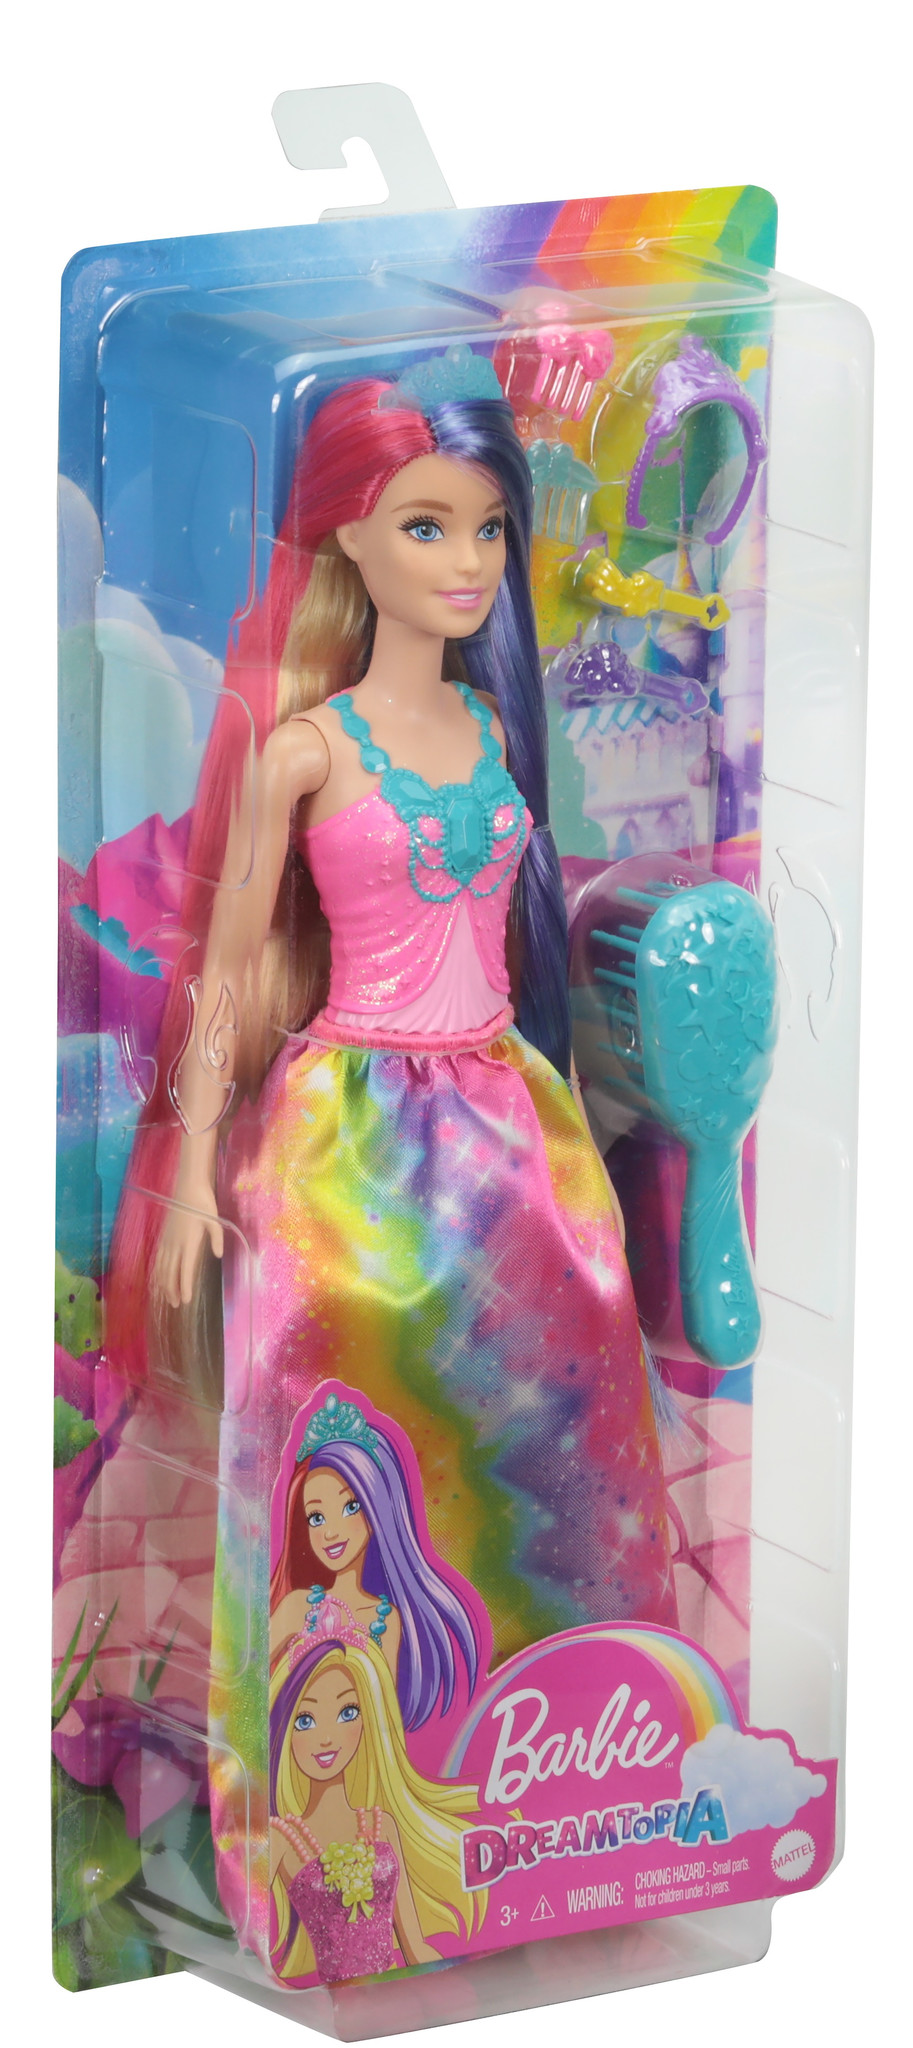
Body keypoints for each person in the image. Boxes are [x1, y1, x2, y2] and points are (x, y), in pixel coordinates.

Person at [110, 344, 677, 1955]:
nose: (468, 561)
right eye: (428, 526)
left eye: (488, 528)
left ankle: (573, 1803)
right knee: (339, 1481)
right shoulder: (307, 751)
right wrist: (194, 1168)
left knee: (566, 1456)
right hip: (348, 1146)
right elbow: (228, 976)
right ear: (348, 534)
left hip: (512, 1131)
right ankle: (331, 1848)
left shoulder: (493, 728)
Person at [269, 1631, 485, 1985]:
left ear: (368, 1717)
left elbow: (414, 1944)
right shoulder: (282, 1837)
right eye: (305, 1720)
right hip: (330, 1996)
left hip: (394, 1992)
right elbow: (246, 1939)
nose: (326, 1738)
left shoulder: (380, 1825)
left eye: (348, 1712)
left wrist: (463, 1985)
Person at [269, 1390, 485, 1729]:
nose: (330, 1532)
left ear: (376, 1508)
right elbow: (248, 1683)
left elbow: (382, 1722)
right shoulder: (298, 1607)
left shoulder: (385, 1620)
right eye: (316, 1517)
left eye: (350, 1507)